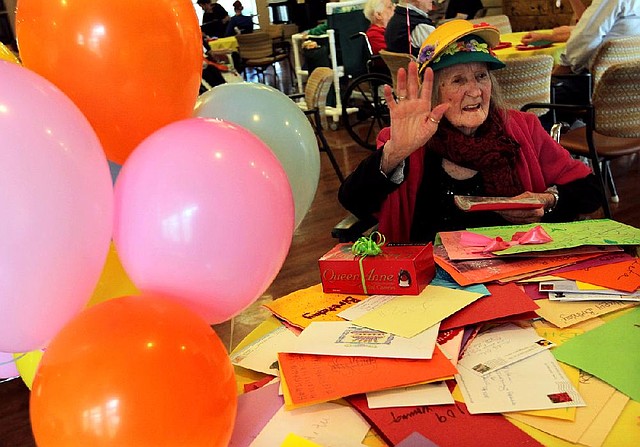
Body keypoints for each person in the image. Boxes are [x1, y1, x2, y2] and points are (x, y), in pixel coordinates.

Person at [338, 20, 602, 243]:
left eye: (481, 76)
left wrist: (548, 200)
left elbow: (590, 190)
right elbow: (354, 202)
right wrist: (394, 153)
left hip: (517, 269)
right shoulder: (409, 140)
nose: (475, 91)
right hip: (432, 283)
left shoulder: (522, 128)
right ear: (433, 91)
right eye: (458, 80)